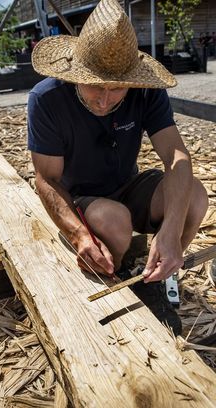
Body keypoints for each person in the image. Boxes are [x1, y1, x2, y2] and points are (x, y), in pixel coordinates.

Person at [27, 0, 208, 335]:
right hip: (83, 196)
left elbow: (178, 158)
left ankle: (161, 272)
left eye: (117, 88)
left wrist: (170, 230)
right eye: (96, 85)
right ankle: (121, 272)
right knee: (114, 219)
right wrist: (79, 234)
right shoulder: (47, 99)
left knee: (195, 197)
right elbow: (48, 179)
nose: (105, 99)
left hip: (128, 184)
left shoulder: (145, 93)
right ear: (75, 74)